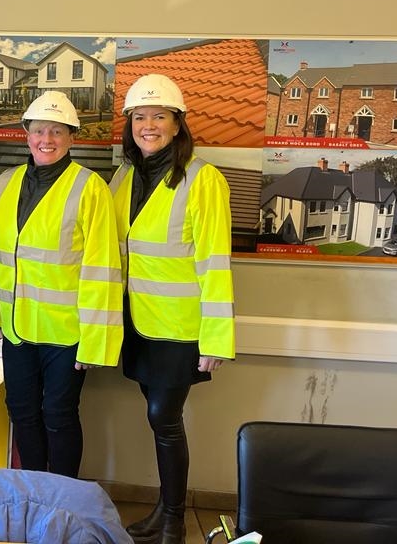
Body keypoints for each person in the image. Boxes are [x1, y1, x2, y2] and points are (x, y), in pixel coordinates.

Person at [111, 74, 235, 544]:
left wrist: (216, 339)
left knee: (164, 418)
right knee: (158, 417)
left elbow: (214, 262)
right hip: (137, 323)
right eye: (140, 117)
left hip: (180, 329)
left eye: (159, 116)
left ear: (178, 124)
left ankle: (175, 521)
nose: (148, 125)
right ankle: (164, 512)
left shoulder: (204, 180)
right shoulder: (124, 177)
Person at [0, 90, 122, 478]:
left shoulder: (90, 187)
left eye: (57, 131)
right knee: (22, 412)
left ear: (72, 137)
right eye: (40, 130)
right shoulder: (5, 184)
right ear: (26, 134)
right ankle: (33, 492)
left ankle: (63, 498)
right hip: (16, 329)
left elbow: (102, 269)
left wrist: (94, 340)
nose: (47, 139)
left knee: (59, 415)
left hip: (67, 333)